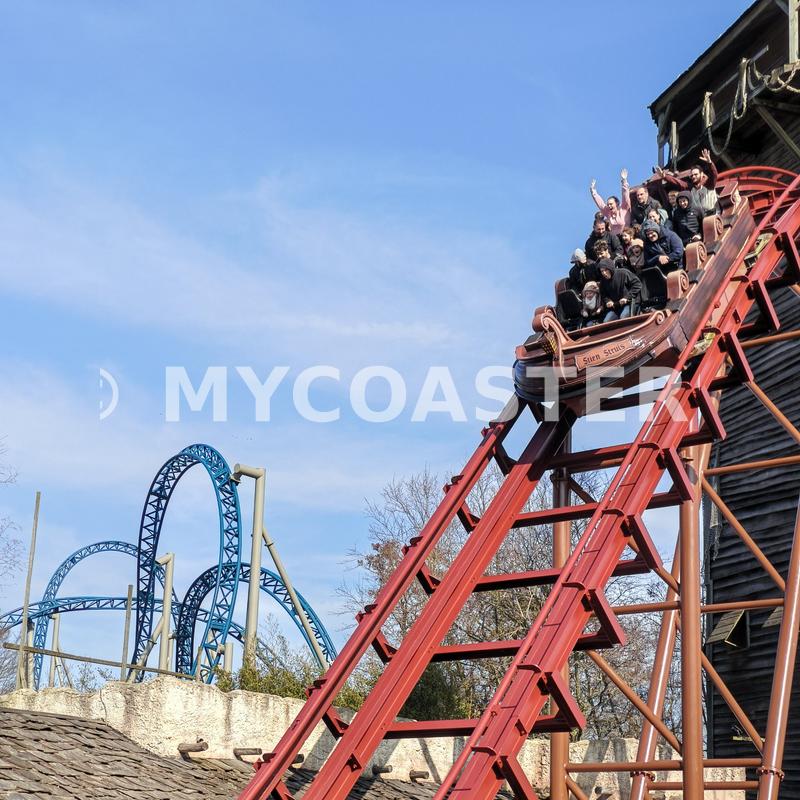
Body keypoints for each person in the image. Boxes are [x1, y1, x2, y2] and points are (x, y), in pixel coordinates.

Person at [661, 149, 719, 216]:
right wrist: (665, 176)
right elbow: (678, 182)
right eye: (692, 175)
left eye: (696, 174)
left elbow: (714, 174)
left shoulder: (709, 184)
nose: (693, 176)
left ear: (702, 174)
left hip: (712, 215)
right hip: (700, 218)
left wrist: (709, 162)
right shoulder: (691, 188)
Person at [590, 168, 631, 235]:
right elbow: (601, 204)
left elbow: (625, 195)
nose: (609, 206)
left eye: (611, 204)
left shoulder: (624, 208)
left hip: (625, 237)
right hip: (614, 239)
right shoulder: (608, 213)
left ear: (617, 203)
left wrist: (624, 181)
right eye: (608, 204)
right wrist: (593, 191)